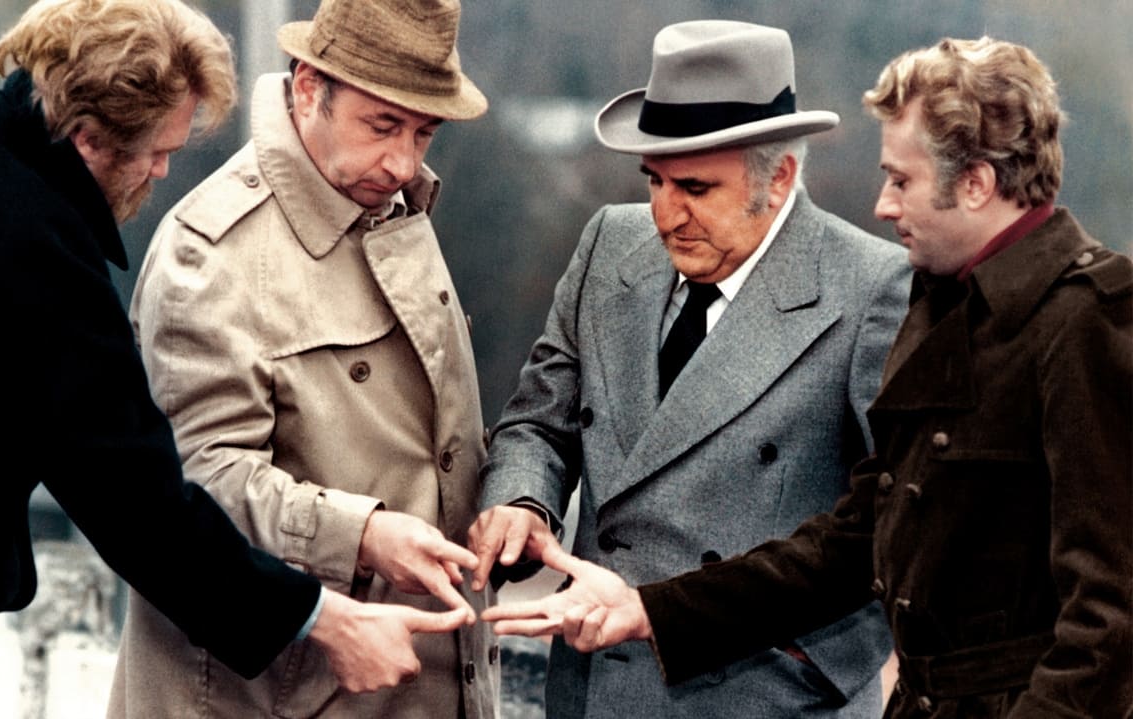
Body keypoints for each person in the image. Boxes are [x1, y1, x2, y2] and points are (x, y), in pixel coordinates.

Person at [484, 35, 1133, 719]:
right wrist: (648, 608)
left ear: (975, 183)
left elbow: (1109, 619)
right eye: (655, 181)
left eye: (901, 180)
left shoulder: (1081, 316)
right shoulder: (949, 303)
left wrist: (807, 669)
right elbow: (861, 536)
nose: (883, 205)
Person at [0, 1, 471, 716]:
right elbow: (141, 508)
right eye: (154, 151)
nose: (164, 169)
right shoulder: (42, 257)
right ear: (89, 137)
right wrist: (322, 618)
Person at [467, 19, 909, 719]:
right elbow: (539, 420)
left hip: (763, 696)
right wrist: (522, 501)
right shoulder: (608, 244)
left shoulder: (873, 289)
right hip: (593, 688)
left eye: (697, 188)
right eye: (655, 181)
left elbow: (896, 515)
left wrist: (812, 660)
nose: (667, 214)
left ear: (780, 177)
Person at [105, 0, 498, 717]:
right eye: (382, 125)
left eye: (424, 132)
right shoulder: (211, 252)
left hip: (421, 685)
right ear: (310, 88)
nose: (403, 161)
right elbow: (189, 489)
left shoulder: (394, 202)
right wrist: (364, 534)